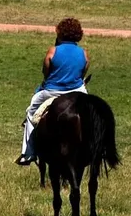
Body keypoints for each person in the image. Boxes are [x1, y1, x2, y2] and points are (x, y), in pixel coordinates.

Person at [16, 17, 90, 166]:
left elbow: (46, 72)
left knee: (31, 113)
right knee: (91, 116)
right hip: (77, 91)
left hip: (53, 91)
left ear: (60, 33)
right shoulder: (83, 53)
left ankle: (28, 153)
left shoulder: (53, 50)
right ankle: (93, 148)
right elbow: (82, 73)